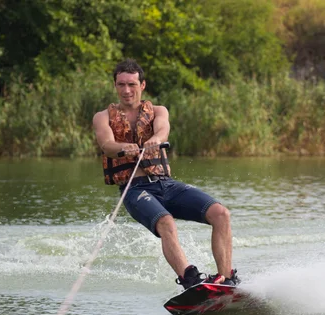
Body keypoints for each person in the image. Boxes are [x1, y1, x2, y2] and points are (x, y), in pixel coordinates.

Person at [92, 59, 239, 290]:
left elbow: (162, 129)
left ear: (142, 85)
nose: (126, 90)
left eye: (131, 84)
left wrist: (156, 140)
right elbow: (106, 144)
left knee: (221, 214)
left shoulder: (159, 111)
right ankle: (191, 281)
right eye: (121, 85)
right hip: (134, 190)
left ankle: (226, 279)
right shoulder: (102, 117)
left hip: (165, 185)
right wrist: (122, 147)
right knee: (166, 222)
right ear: (115, 86)